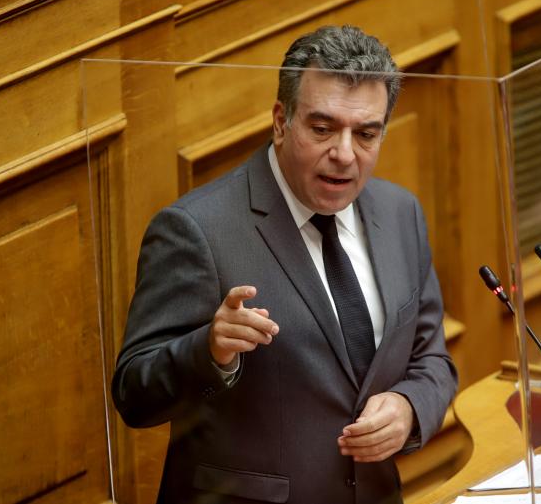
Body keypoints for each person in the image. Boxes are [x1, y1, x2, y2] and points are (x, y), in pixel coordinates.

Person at [112, 25, 458, 504]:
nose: (344, 154)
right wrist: (208, 350)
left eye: (365, 134)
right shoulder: (196, 231)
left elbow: (432, 359)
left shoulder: (401, 213)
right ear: (281, 121)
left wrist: (409, 407)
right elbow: (133, 393)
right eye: (322, 129)